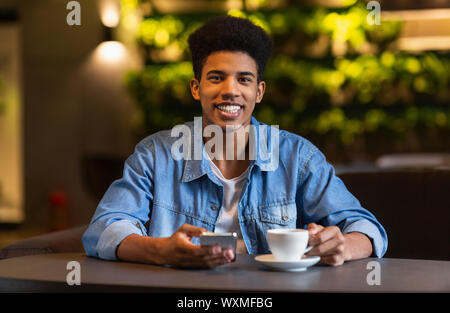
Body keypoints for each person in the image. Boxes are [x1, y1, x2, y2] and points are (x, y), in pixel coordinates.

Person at [82, 16, 388, 268]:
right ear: (196, 87)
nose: (230, 91)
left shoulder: (298, 157)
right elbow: (104, 229)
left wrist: (342, 246)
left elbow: (366, 229)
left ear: (259, 91)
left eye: (244, 79)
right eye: (216, 77)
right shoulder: (154, 156)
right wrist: (161, 250)